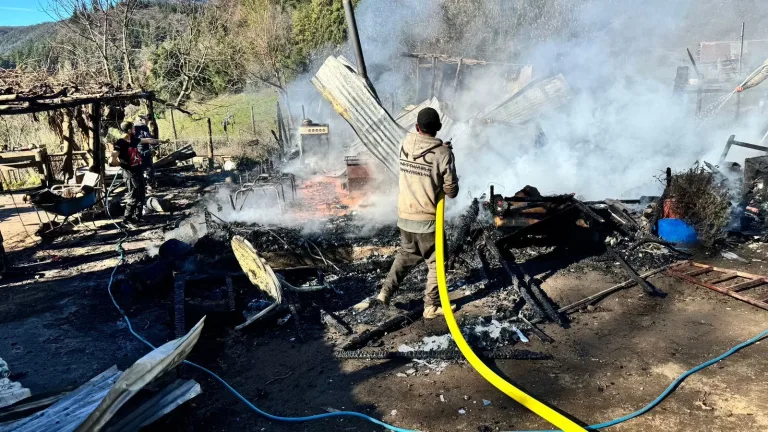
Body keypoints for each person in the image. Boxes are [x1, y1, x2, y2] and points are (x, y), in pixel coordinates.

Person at [356, 108, 460, 319]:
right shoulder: (444, 154)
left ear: (416, 127)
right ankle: (430, 306)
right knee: (437, 262)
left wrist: (442, 151)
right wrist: (447, 156)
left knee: (406, 255)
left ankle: (385, 293)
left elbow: (423, 154)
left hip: (404, 217)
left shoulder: (405, 144)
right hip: (427, 221)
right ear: (438, 128)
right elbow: (451, 192)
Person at [111, 121, 145, 227]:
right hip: (130, 175)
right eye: (134, 128)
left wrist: (160, 141)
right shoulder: (120, 143)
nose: (135, 130)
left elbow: (147, 140)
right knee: (133, 197)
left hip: (139, 172)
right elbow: (112, 159)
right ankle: (127, 220)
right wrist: (119, 164)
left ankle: (137, 217)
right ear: (129, 130)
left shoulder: (134, 140)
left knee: (141, 196)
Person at [134, 115, 156, 189]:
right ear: (141, 120)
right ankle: (150, 186)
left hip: (134, 152)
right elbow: (148, 138)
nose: (147, 122)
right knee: (149, 169)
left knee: (138, 170)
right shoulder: (143, 127)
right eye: (146, 120)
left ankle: (140, 187)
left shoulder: (133, 127)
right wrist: (153, 147)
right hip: (144, 151)